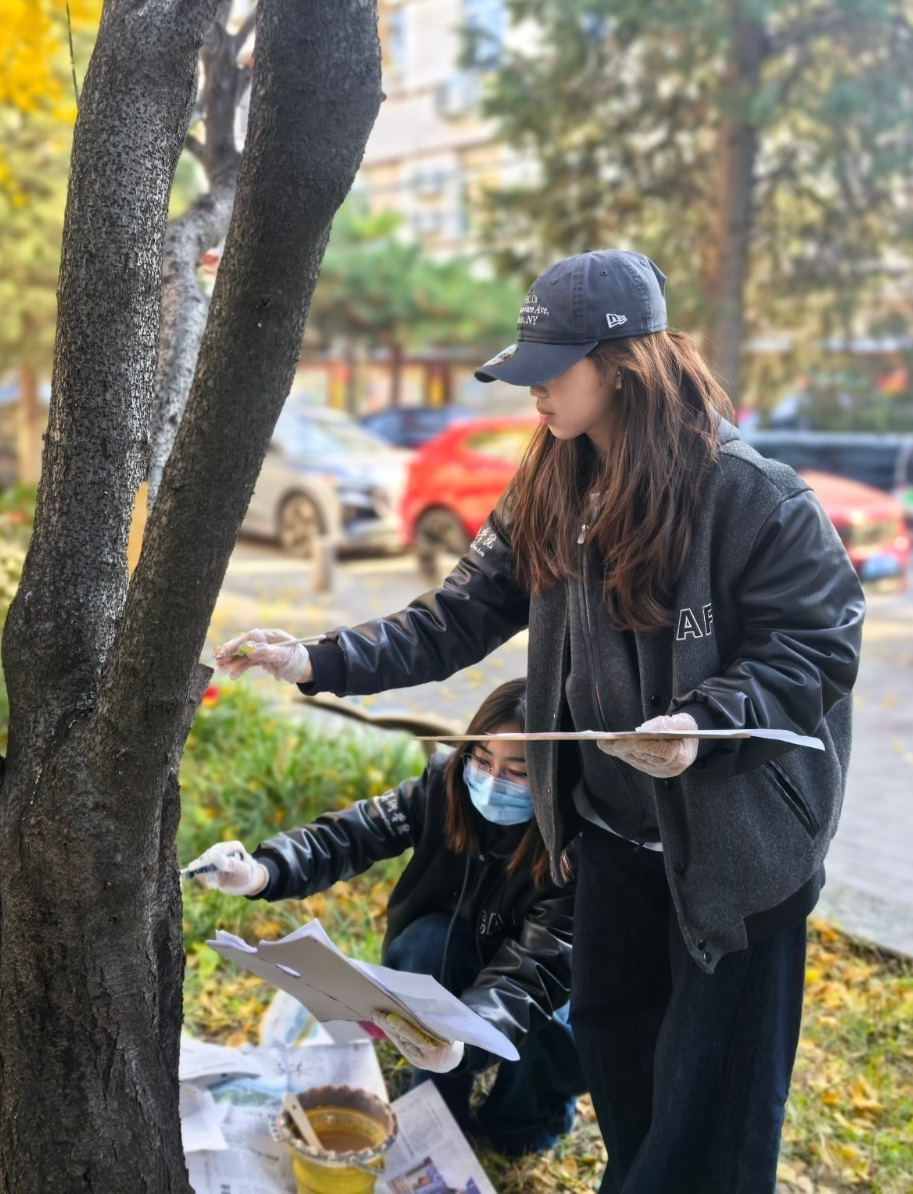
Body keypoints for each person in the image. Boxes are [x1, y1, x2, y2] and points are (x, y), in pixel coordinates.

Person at [215, 249, 865, 1193]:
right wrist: (319, 659)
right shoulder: (551, 486)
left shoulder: (755, 497)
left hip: (734, 862)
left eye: (549, 371)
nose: (532, 396)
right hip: (606, 844)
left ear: (623, 363)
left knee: (713, 1116)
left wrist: (705, 723)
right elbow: (455, 618)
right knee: (626, 1075)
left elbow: (819, 645)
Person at [184, 678, 586, 1157]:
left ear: (550, 775)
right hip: (448, 955)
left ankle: (525, 1116)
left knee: (551, 1034)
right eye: (481, 758)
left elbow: (535, 975)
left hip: (530, 991)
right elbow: (351, 835)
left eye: (517, 772)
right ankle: (438, 1101)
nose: (492, 780)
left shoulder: (574, 848)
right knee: (422, 946)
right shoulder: (443, 785)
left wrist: (463, 1043)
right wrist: (262, 871)